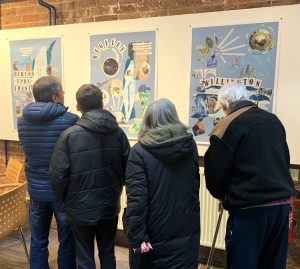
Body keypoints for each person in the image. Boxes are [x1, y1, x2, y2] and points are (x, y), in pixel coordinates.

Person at [204, 83, 296, 269]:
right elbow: (283, 160)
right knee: (273, 265)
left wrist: (223, 196)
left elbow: (214, 176)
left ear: (223, 106)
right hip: (281, 206)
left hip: (251, 210)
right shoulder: (273, 120)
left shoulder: (226, 125)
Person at [49, 84, 130, 269]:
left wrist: (66, 200)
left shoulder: (68, 137)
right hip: (109, 206)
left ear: (78, 106)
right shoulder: (118, 134)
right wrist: (117, 187)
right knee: (108, 253)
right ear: (102, 104)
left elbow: (57, 177)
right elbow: (129, 171)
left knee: (84, 258)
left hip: (80, 208)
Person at [124, 98, 200, 269]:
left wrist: (137, 237)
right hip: (186, 226)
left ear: (148, 120)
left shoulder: (139, 152)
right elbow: (194, 187)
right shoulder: (190, 146)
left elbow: (137, 201)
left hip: (155, 231)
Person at [17, 76, 78, 269]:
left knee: (38, 239)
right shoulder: (70, 120)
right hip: (61, 191)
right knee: (67, 239)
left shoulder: (22, 121)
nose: (64, 95)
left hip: (36, 190)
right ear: (54, 97)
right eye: (62, 92)